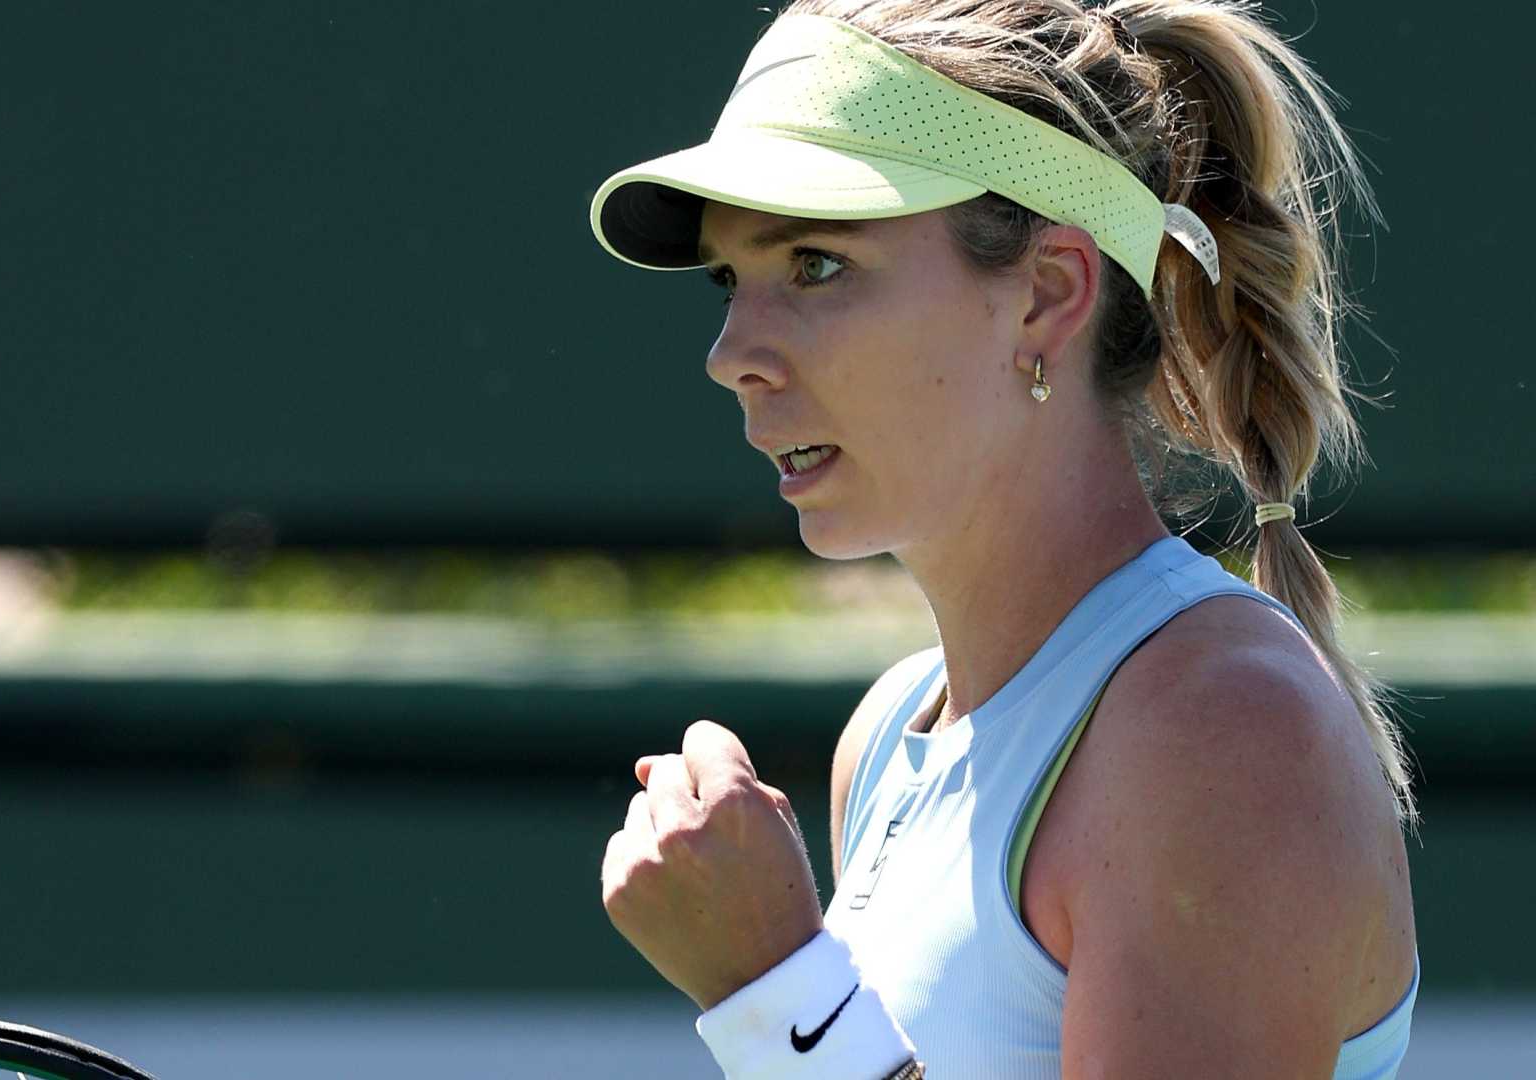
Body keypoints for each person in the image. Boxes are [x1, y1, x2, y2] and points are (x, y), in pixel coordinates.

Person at [589, 2, 1419, 1077]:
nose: (730, 352)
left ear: (1046, 295)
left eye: (814, 265)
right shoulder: (884, 737)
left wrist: (777, 991)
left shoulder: (1225, 732)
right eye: (727, 280)